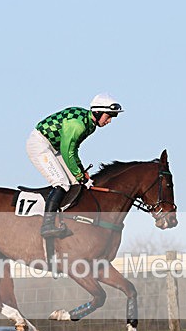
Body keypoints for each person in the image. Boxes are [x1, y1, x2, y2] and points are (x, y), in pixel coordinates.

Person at [26, 93, 123, 238]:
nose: (109, 121)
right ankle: (47, 225)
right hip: (40, 145)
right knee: (61, 183)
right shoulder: (78, 125)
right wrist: (80, 174)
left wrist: (81, 173)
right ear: (97, 112)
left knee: (76, 182)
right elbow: (67, 152)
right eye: (108, 116)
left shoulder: (90, 125)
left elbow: (72, 151)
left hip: (55, 148)